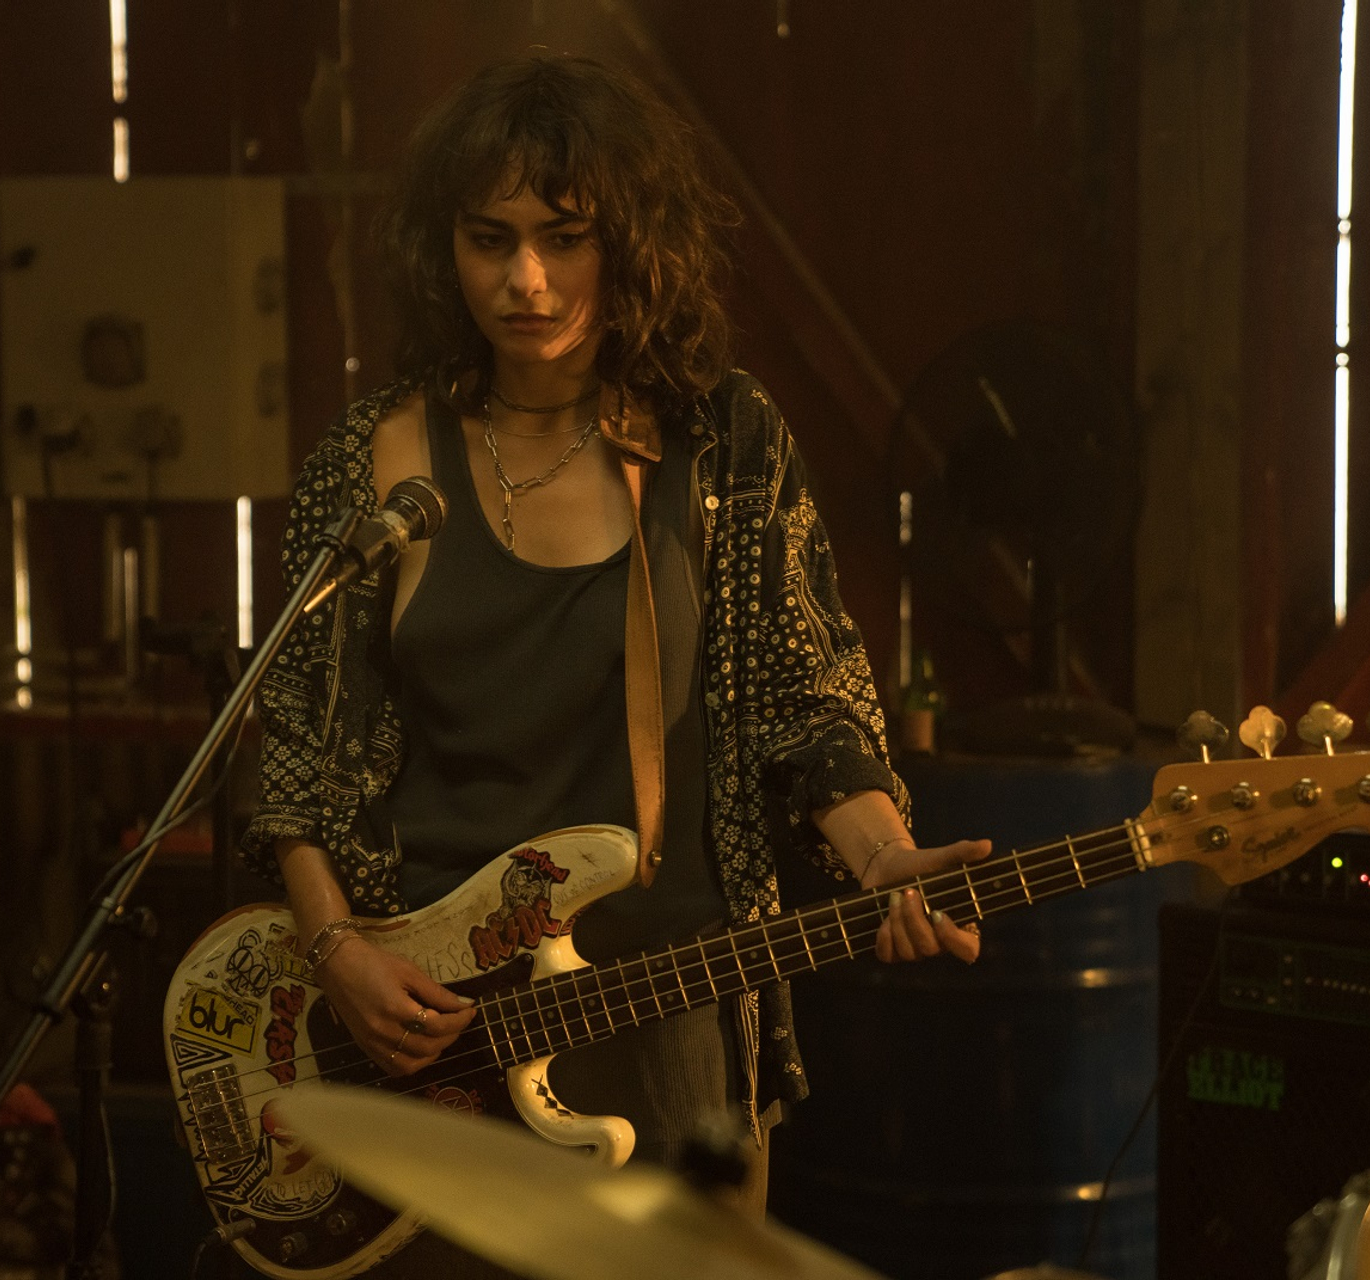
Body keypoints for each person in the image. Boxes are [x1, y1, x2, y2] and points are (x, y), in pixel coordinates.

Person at [240, 53, 990, 1275]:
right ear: (444, 249)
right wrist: (338, 953)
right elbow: (295, 751)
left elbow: (809, 701)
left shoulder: (720, 440)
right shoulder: (376, 456)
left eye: (564, 237)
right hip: (428, 1039)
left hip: (672, 1018)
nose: (525, 280)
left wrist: (884, 856)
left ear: (632, 243)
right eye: (490, 240)